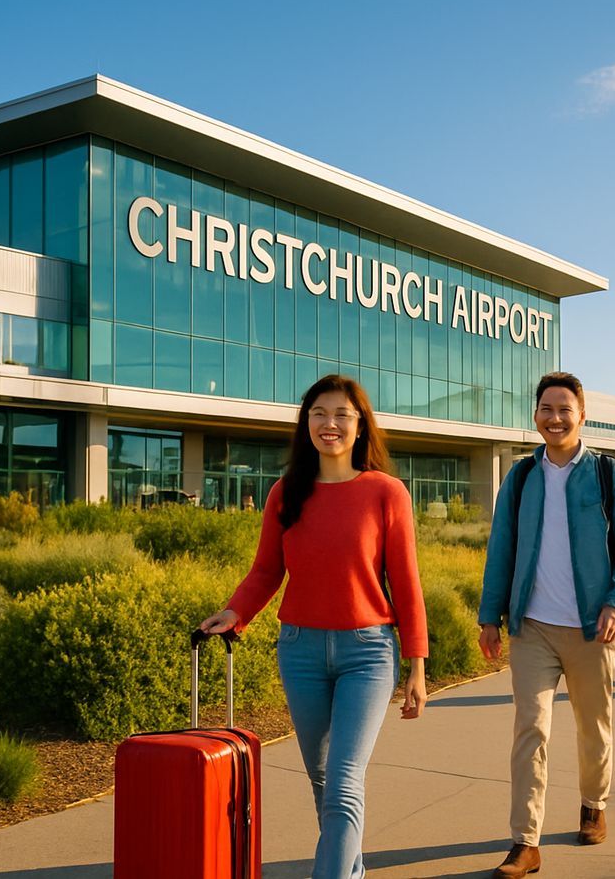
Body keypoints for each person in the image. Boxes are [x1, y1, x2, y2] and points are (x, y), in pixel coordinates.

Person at [200, 374, 428, 879]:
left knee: (345, 780)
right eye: (319, 413)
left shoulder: (386, 493)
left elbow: (407, 584)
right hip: (300, 651)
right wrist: (236, 612)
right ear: (306, 423)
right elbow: (266, 571)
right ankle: (352, 871)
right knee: (324, 781)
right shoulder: (286, 494)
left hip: (368, 654)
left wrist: (417, 665)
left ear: (360, 426)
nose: (330, 424)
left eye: (342, 415)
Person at [477, 372, 615, 879]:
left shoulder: (607, 474)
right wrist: (490, 616)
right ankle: (524, 843)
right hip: (532, 627)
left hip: (594, 628)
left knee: (593, 727)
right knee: (531, 728)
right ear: (536, 416)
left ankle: (594, 803)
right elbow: (501, 547)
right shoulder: (522, 477)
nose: (555, 418)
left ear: (582, 416)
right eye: (546, 409)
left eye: (564, 409)